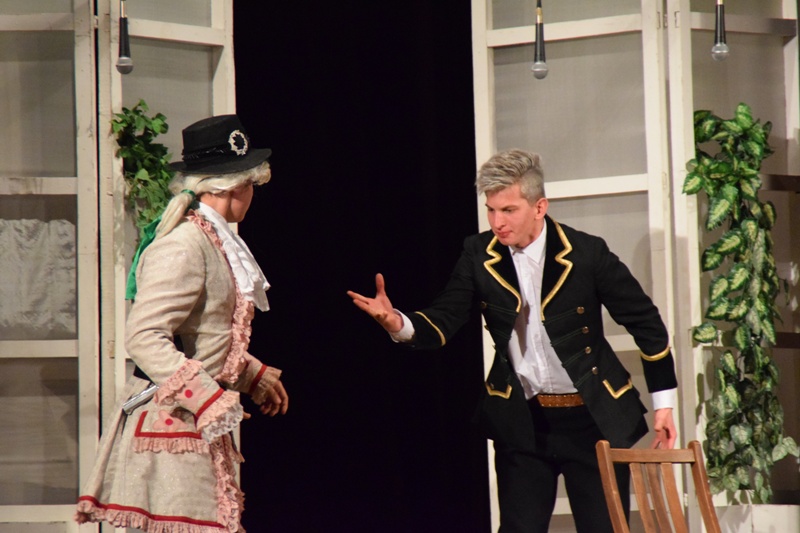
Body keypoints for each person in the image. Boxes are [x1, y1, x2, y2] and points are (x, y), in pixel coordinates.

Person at [347, 149, 678, 533]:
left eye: (508, 210)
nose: (497, 222)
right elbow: (444, 318)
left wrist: (663, 405)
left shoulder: (587, 253)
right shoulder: (478, 254)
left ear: (539, 207)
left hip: (592, 420)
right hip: (523, 421)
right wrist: (397, 323)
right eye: (491, 210)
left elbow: (646, 323)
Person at [76, 114, 289, 532]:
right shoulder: (185, 245)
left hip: (193, 424)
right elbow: (145, 337)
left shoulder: (214, 240)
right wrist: (207, 398)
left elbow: (200, 337)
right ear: (238, 186)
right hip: (171, 421)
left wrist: (251, 375)